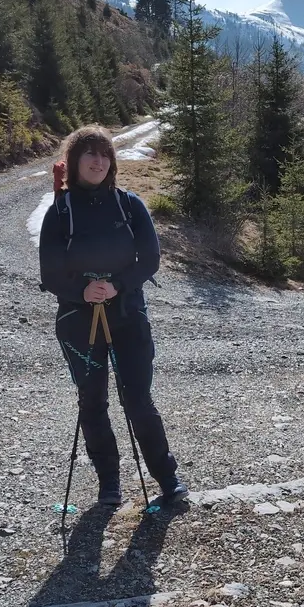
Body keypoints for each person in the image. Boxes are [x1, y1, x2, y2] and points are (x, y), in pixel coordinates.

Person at [39, 126, 188, 507]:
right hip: (77, 320)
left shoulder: (129, 204)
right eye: (89, 153)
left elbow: (150, 260)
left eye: (105, 154)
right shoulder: (59, 212)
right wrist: (81, 291)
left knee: (138, 399)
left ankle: (167, 478)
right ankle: (110, 486)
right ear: (74, 161)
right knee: (92, 402)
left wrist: (118, 285)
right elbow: (50, 274)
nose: (99, 161)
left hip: (128, 315)